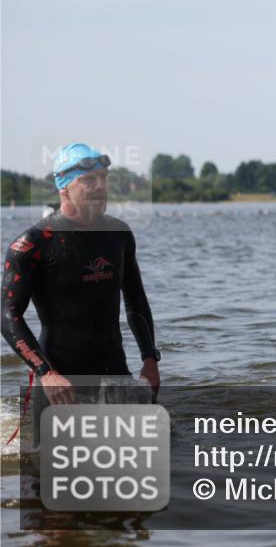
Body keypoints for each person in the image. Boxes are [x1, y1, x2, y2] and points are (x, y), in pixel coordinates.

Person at [1, 143, 160, 444]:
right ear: (64, 187)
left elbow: (136, 298)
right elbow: (7, 314)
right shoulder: (33, 244)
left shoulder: (119, 234)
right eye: (89, 181)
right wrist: (46, 372)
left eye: (104, 178)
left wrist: (150, 359)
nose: (101, 187)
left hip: (115, 376)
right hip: (61, 386)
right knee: (48, 483)